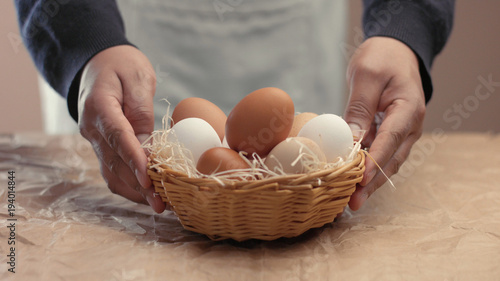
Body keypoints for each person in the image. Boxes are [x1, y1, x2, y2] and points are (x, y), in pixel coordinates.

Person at [16, 0, 454, 214]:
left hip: (293, 29)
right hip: (124, 30)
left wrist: (404, 26)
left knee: (307, 154)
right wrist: (85, 41)